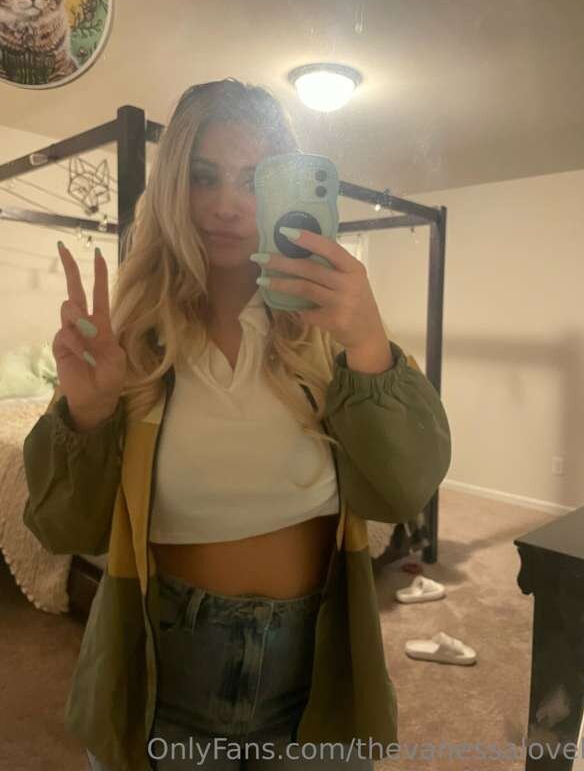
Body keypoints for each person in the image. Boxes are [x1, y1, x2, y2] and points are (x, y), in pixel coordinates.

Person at [22, 78, 452, 770]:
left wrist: (369, 341)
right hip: (166, 673)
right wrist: (90, 410)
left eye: (254, 181)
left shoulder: (332, 338)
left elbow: (405, 491)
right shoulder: (130, 339)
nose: (227, 204)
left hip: (316, 674)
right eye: (204, 177)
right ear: (173, 188)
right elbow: (65, 531)